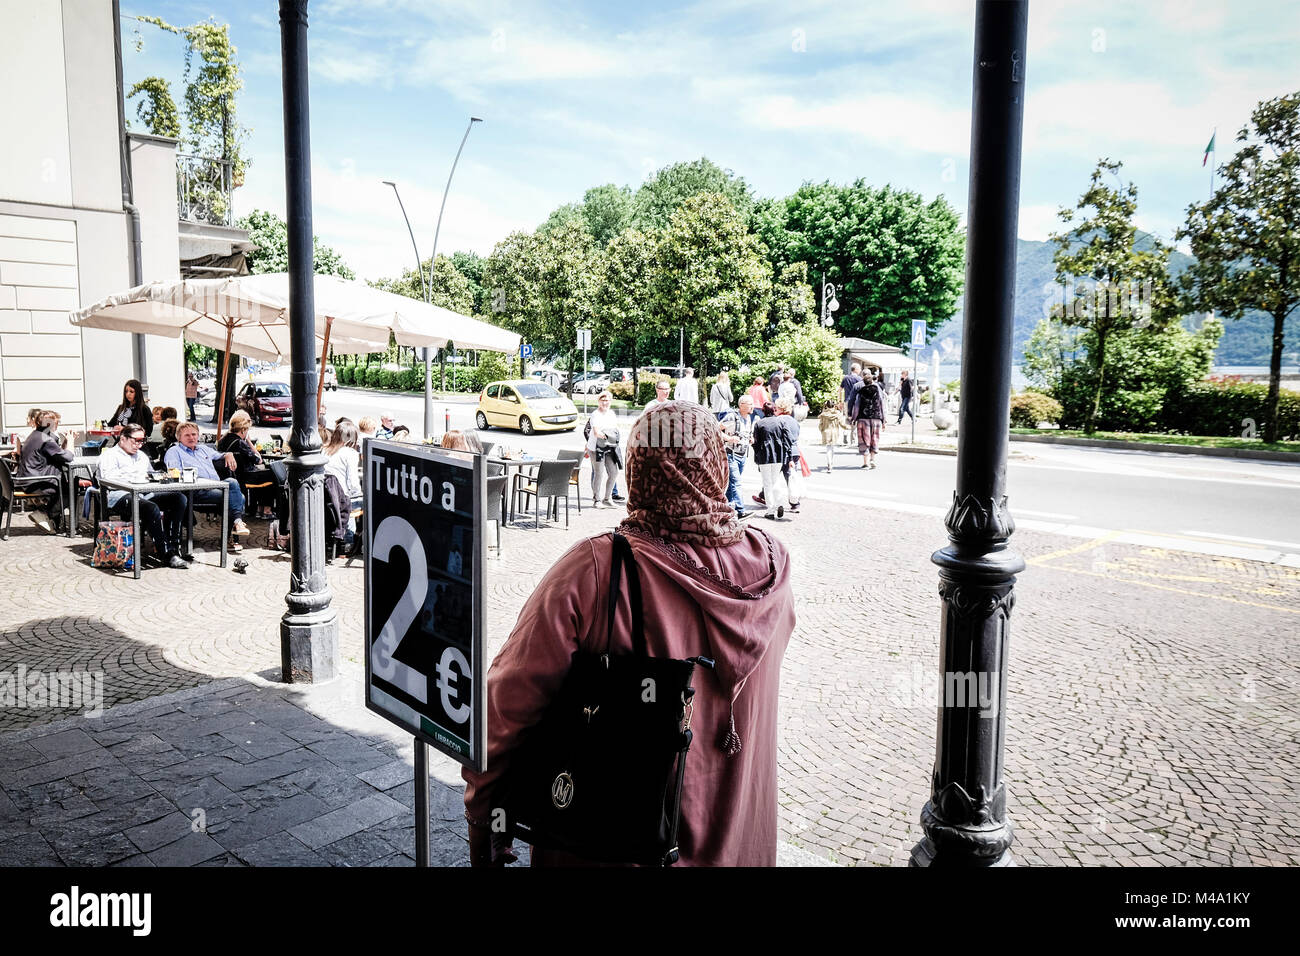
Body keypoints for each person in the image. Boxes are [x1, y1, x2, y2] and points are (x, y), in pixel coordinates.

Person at [462, 400, 795, 866]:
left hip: (613, 847)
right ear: (717, 464)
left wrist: (486, 818)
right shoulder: (772, 566)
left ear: (638, 465)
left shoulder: (599, 569)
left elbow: (507, 707)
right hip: (742, 845)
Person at [96, 424, 188, 569]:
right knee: (151, 508)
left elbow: (150, 475)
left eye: (142, 440)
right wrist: (134, 480)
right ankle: (166, 554)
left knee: (179, 498)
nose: (139, 444)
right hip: (119, 495)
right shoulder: (109, 456)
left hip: (144, 493)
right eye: (136, 440)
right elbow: (109, 481)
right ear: (123, 438)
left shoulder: (141, 456)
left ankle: (174, 547)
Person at [164, 422, 252, 552]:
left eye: (194, 434)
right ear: (179, 438)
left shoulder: (203, 449)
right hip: (194, 491)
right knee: (239, 497)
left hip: (214, 488)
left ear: (198, 435)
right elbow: (174, 473)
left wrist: (229, 454)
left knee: (232, 485)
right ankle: (233, 532)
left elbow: (220, 455)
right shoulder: (174, 451)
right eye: (187, 435)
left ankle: (236, 524)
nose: (191, 437)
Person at [18, 410, 74, 533]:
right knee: (71, 488)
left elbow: (58, 454)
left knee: (65, 484)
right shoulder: (46, 439)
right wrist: (71, 441)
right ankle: (44, 513)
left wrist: (65, 442)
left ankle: (50, 520)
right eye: (56, 423)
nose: (57, 426)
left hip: (27, 480)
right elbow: (68, 457)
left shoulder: (36, 435)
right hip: (35, 483)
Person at [218, 411, 275, 519]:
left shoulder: (223, 440)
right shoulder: (240, 443)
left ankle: (257, 509)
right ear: (244, 429)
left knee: (264, 475)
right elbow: (258, 460)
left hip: (230, 475)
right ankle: (266, 510)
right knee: (271, 475)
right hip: (245, 476)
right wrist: (249, 441)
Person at [322, 420, 362, 560]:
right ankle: (348, 542)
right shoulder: (350, 453)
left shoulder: (324, 449)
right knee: (362, 503)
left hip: (324, 498)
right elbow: (353, 483)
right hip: (340, 499)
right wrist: (360, 492)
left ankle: (341, 541)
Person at [751, 402, 791, 520]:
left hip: (764, 454)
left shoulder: (759, 423)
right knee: (775, 480)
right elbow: (788, 439)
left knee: (767, 483)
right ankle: (779, 503)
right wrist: (785, 451)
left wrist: (757, 452)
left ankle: (770, 510)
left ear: (763, 410)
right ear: (774, 410)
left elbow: (755, 442)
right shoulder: (781, 422)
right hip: (778, 454)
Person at [719, 393, 755, 519]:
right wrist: (729, 438)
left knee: (730, 484)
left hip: (742, 455)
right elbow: (716, 429)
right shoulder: (732, 417)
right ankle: (740, 511)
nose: (753, 406)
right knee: (736, 482)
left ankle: (727, 508)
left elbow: (746, 433)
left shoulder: (749, 418)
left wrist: (750, 438)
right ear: (741, 405)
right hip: (731, 455)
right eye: (750, 404)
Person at [585, 391, 622, 508]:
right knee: (599, 473)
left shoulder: (611, 414)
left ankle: (608, 498)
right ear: (598, 401)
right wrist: (609, 436)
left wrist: (612, 437)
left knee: (614, 472)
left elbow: (615, 429)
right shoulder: (595, 414)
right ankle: (597, 500)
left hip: (609, 447)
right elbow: (596, 433)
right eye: (603, 400)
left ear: (610, 402)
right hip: (596, 448)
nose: (605, 403)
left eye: (607, 400)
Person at [849, 371, 887, 469]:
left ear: (864, 382)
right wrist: (884, 420)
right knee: (874, 438)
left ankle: (866, 463)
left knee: (863, 440)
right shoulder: (878, 389)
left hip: (863, 418)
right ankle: (872, 459)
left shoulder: (861, 392)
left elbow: (856, 406)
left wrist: (853, 418)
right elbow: (882, 404)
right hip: (876, 418)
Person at [775, 397, 803, 512]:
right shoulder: (794, 421)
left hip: (782, 451)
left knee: (774, 477)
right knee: (791, 477)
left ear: (780, 408)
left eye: (776, 407)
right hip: (795, 451)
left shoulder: (778, 420)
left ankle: (766, 497)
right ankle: (794, 503)